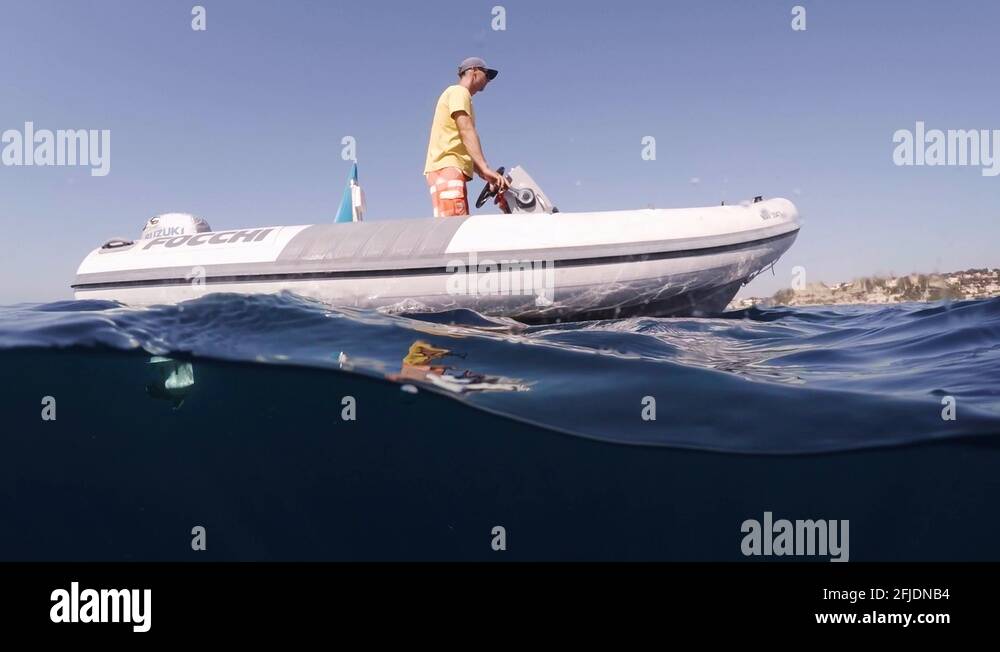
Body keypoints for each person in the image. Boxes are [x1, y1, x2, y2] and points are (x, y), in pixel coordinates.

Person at [424, 57, 509, 217]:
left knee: (456, 225)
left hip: (446, 169)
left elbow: (465, 144)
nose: (488, 80)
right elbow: (466, 130)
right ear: (474, 71)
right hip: (448, 169)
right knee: (454, 227)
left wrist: (486, 175)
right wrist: (484, 167)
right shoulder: (458, 92)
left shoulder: (457, 95)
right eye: (487, 75)